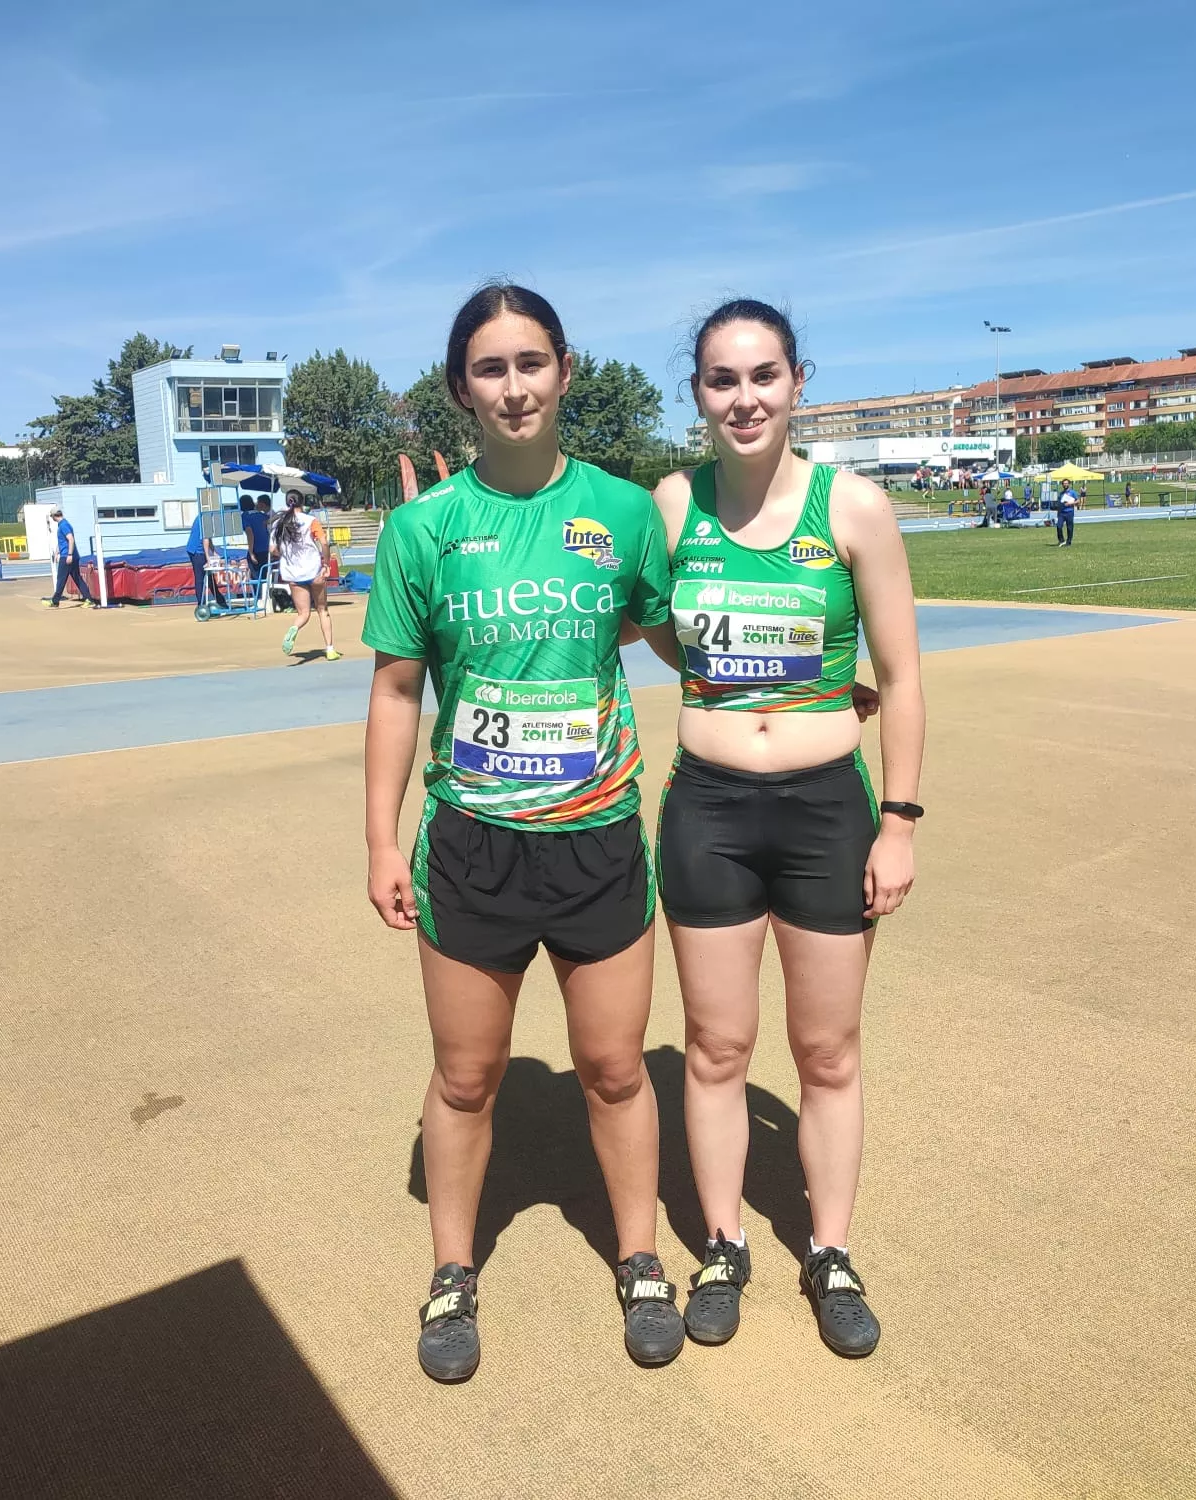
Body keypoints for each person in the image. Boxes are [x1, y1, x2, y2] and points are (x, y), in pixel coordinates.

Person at [362, 282, 683, 1382]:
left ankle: (639, 1259)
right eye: (490, 368)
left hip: (595, 839)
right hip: (471, 846)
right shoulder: (422, 530)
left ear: (565, 369)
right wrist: (377, 841)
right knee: (464, 1078)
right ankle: (452, 1276)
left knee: (610, 1069)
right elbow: (397, 690)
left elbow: (663, 632)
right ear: (462, 388)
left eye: (531, 362)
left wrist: (790, 678)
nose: (514, 386)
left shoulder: (624, 512)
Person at [641, 299, 924, 1359]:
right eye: (721, 379)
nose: (743, 397)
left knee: (825, 1050)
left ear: (797, 382)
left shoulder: (852, 509)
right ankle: (721, 1246)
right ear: (698, 394)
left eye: (762, 376)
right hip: (708, 809)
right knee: (714, 1047)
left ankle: (831, 1250)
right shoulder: (669, 508)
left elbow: (898, 680)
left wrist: (895, 821)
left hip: (824, 815)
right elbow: (647, 626)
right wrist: (731, 678)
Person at [273, 494, 340, 659]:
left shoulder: (278, 523)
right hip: (313, 569)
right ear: (302, 503)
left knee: (303, 613)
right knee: (323, 610)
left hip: (293, 573)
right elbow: (324, 542)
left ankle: (294, 628)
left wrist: (287, 554)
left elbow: (273, 550)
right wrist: (325, 563)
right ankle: (330, 649)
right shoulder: (311, 521)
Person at [48, 506, 94, 607]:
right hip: (70, 555)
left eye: (51, 516)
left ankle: (55, 601)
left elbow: (70, 539)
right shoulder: (64, 524)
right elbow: (63, 541)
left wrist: (69, 554)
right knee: (77, 578)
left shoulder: (63, 525)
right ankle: (89, 598)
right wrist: (57, 551)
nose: (51, 518)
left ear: (55, 516)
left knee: (61, 578)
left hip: (67, 556)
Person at [185, 508, 225, 618]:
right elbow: (205, 539)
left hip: (199, 550)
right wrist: (209, 558)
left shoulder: (206, 518)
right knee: (200, 578)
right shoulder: (205, 519)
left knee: (210, 577)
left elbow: (209, 538)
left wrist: (214, 552)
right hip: (196, 551)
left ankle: (221, 601)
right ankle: (201, 604)